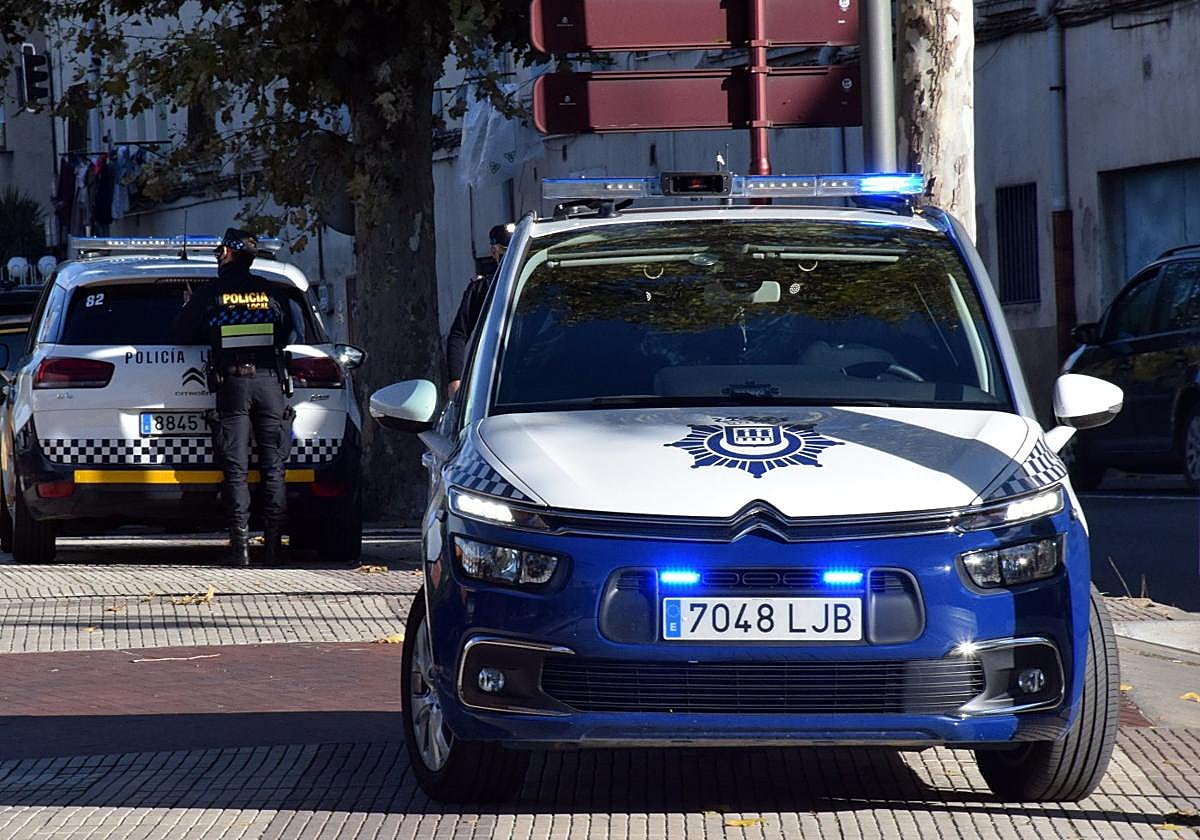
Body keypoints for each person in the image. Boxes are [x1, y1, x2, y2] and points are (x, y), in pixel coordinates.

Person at [174, 228, 296, 567]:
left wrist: (201, 321)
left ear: (227, 254)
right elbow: (288, 333)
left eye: (218, 252)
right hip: (271, 384)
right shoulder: (271, 292)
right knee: (274, 469)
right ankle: (273, 549)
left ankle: (240, 550)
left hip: (233, 385)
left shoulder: (211, 293)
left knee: (236, 470)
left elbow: (181, 334)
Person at [446, 222, 514, 396]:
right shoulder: (483, 288)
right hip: (494, 377)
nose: (512, 258)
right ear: (494, 252)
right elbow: (458, 335)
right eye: (505, 251)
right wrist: (456, 380)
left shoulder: (542, 283)